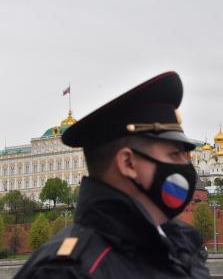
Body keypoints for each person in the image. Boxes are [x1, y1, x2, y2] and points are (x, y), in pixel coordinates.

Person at [15, 72, 211, 278]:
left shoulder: (181, 245)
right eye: (175, 154)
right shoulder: (67, 272)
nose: (185, 165)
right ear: (128, 162)